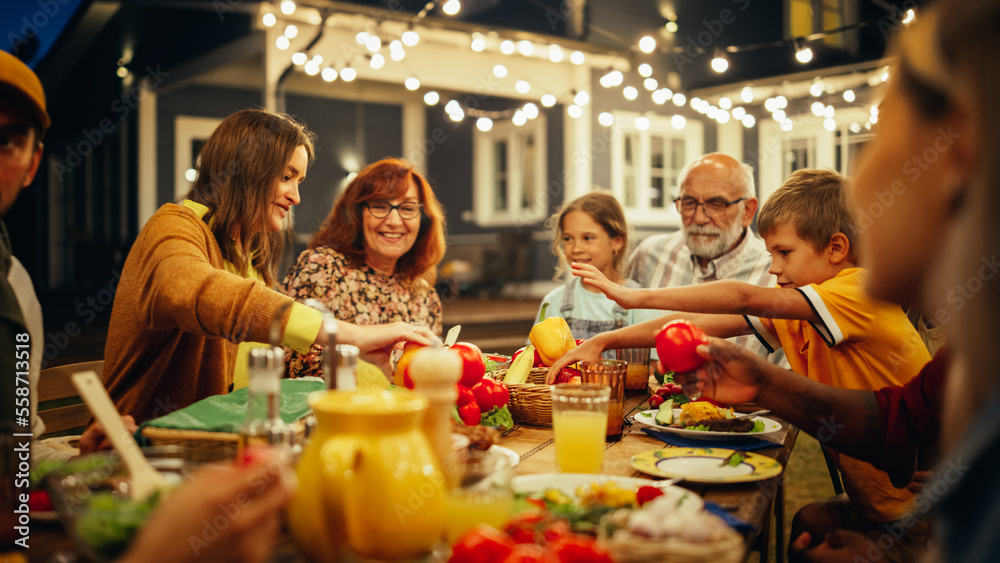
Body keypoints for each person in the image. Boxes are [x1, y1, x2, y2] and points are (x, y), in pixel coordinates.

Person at [690, 4, 999, 561]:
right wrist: (763, 384)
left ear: (958, 152)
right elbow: (901, 421)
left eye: (881, 136)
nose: (866, 177)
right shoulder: (977, 361)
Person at [556, 169, 931, 552]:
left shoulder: (857, 290)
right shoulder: (802, 309)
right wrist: (605, 340)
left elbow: (745, 297)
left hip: (921, 506)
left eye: (784, 253)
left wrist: (634, 296)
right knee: (809, 522)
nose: (773, 268)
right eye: (770, 254)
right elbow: (698, 325)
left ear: (836, 248)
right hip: (875, 502)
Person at [102, 111, 436, 423]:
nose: (296, 196)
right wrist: (349, 334)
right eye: (286, 176)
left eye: (299, 180)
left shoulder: (251, 253)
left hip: (229, 437)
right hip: (145, 445)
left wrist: (355, 354)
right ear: (244, 170)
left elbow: (274, 354)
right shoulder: (173, 227)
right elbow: (199, 292)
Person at [281, 157, 446, 379]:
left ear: (423, 221)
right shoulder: (321, 268)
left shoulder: (425, 295)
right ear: (356, 214)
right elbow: (291, 365)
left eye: (407, 208)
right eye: (380, 206)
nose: (394, 221)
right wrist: (362, 356)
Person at [625, 153, 778, 360]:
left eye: (717, 204)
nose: (698, 218)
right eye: (688, 203)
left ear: (748, 211)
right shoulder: (651, 254)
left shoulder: (775, 273)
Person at [533, 192, 659, 351]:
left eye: (587, 238)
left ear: (617, 241)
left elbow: (652, 367)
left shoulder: (640, 303)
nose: (576, 248)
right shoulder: (553, 302)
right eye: (568, 239)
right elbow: (536, 362)